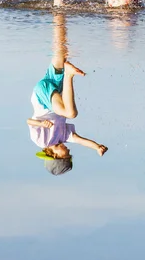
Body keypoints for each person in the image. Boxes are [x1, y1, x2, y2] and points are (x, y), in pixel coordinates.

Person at [27, 13, 108, 176]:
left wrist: (42, 125)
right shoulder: (64, 136)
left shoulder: (42, 141)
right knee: (60, 52)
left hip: (42, 98)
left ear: (55, 156)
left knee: (70, 113)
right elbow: (81, 140)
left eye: (67, 155)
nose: (69, 151)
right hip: (54, 90)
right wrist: (97, 147)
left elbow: (29, 121)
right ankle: (60, 16)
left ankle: (69, 75)